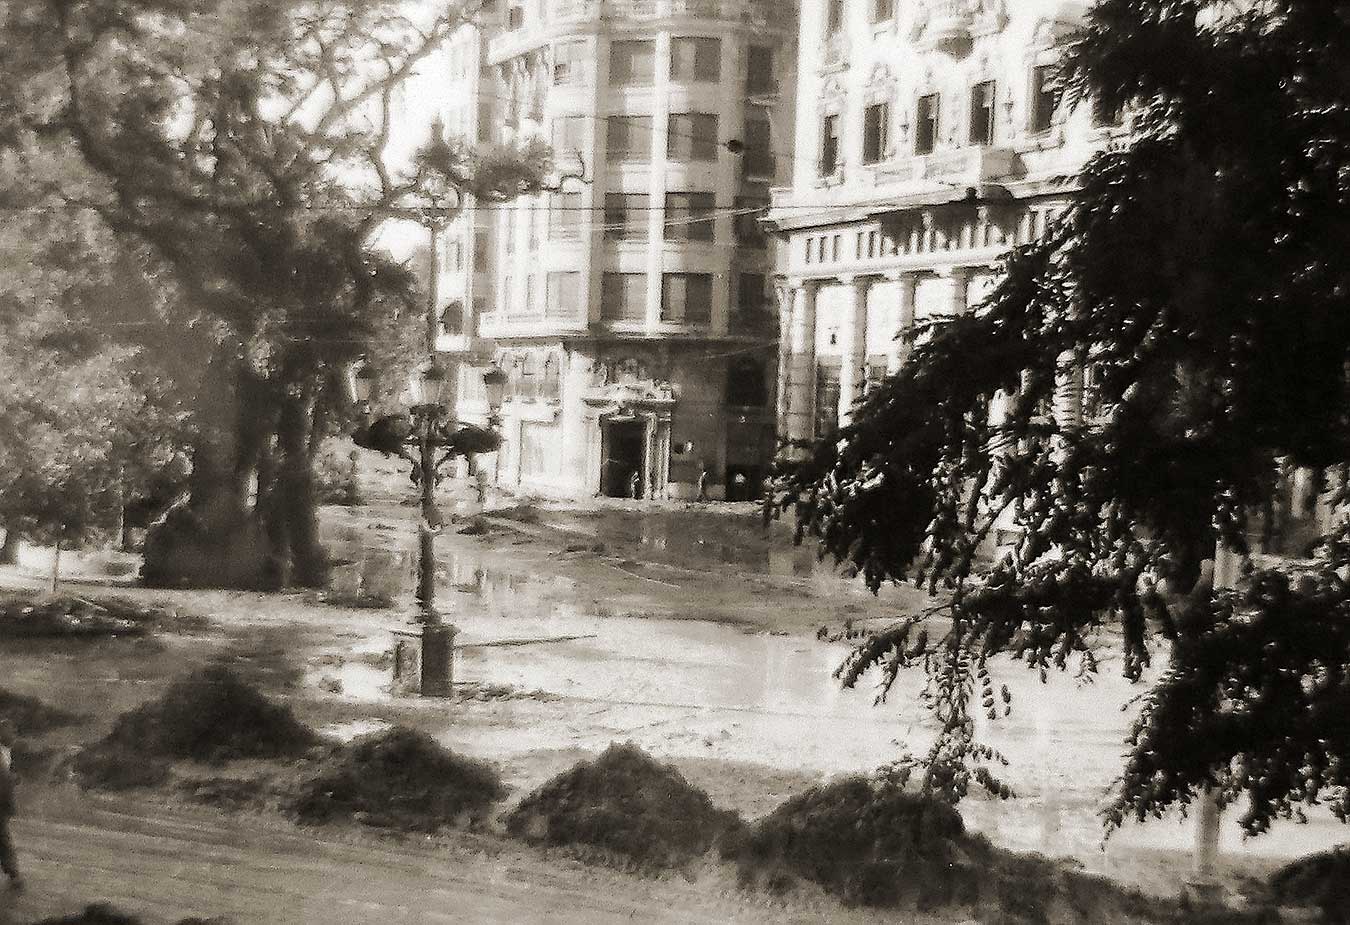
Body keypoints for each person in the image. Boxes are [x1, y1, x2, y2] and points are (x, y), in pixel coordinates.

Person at [0, 718, 21, 890]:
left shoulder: (7, 752)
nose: (14, 735)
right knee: (4, 839)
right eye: (10, 731)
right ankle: (14, 874)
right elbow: (4, 779)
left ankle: (13, 873)